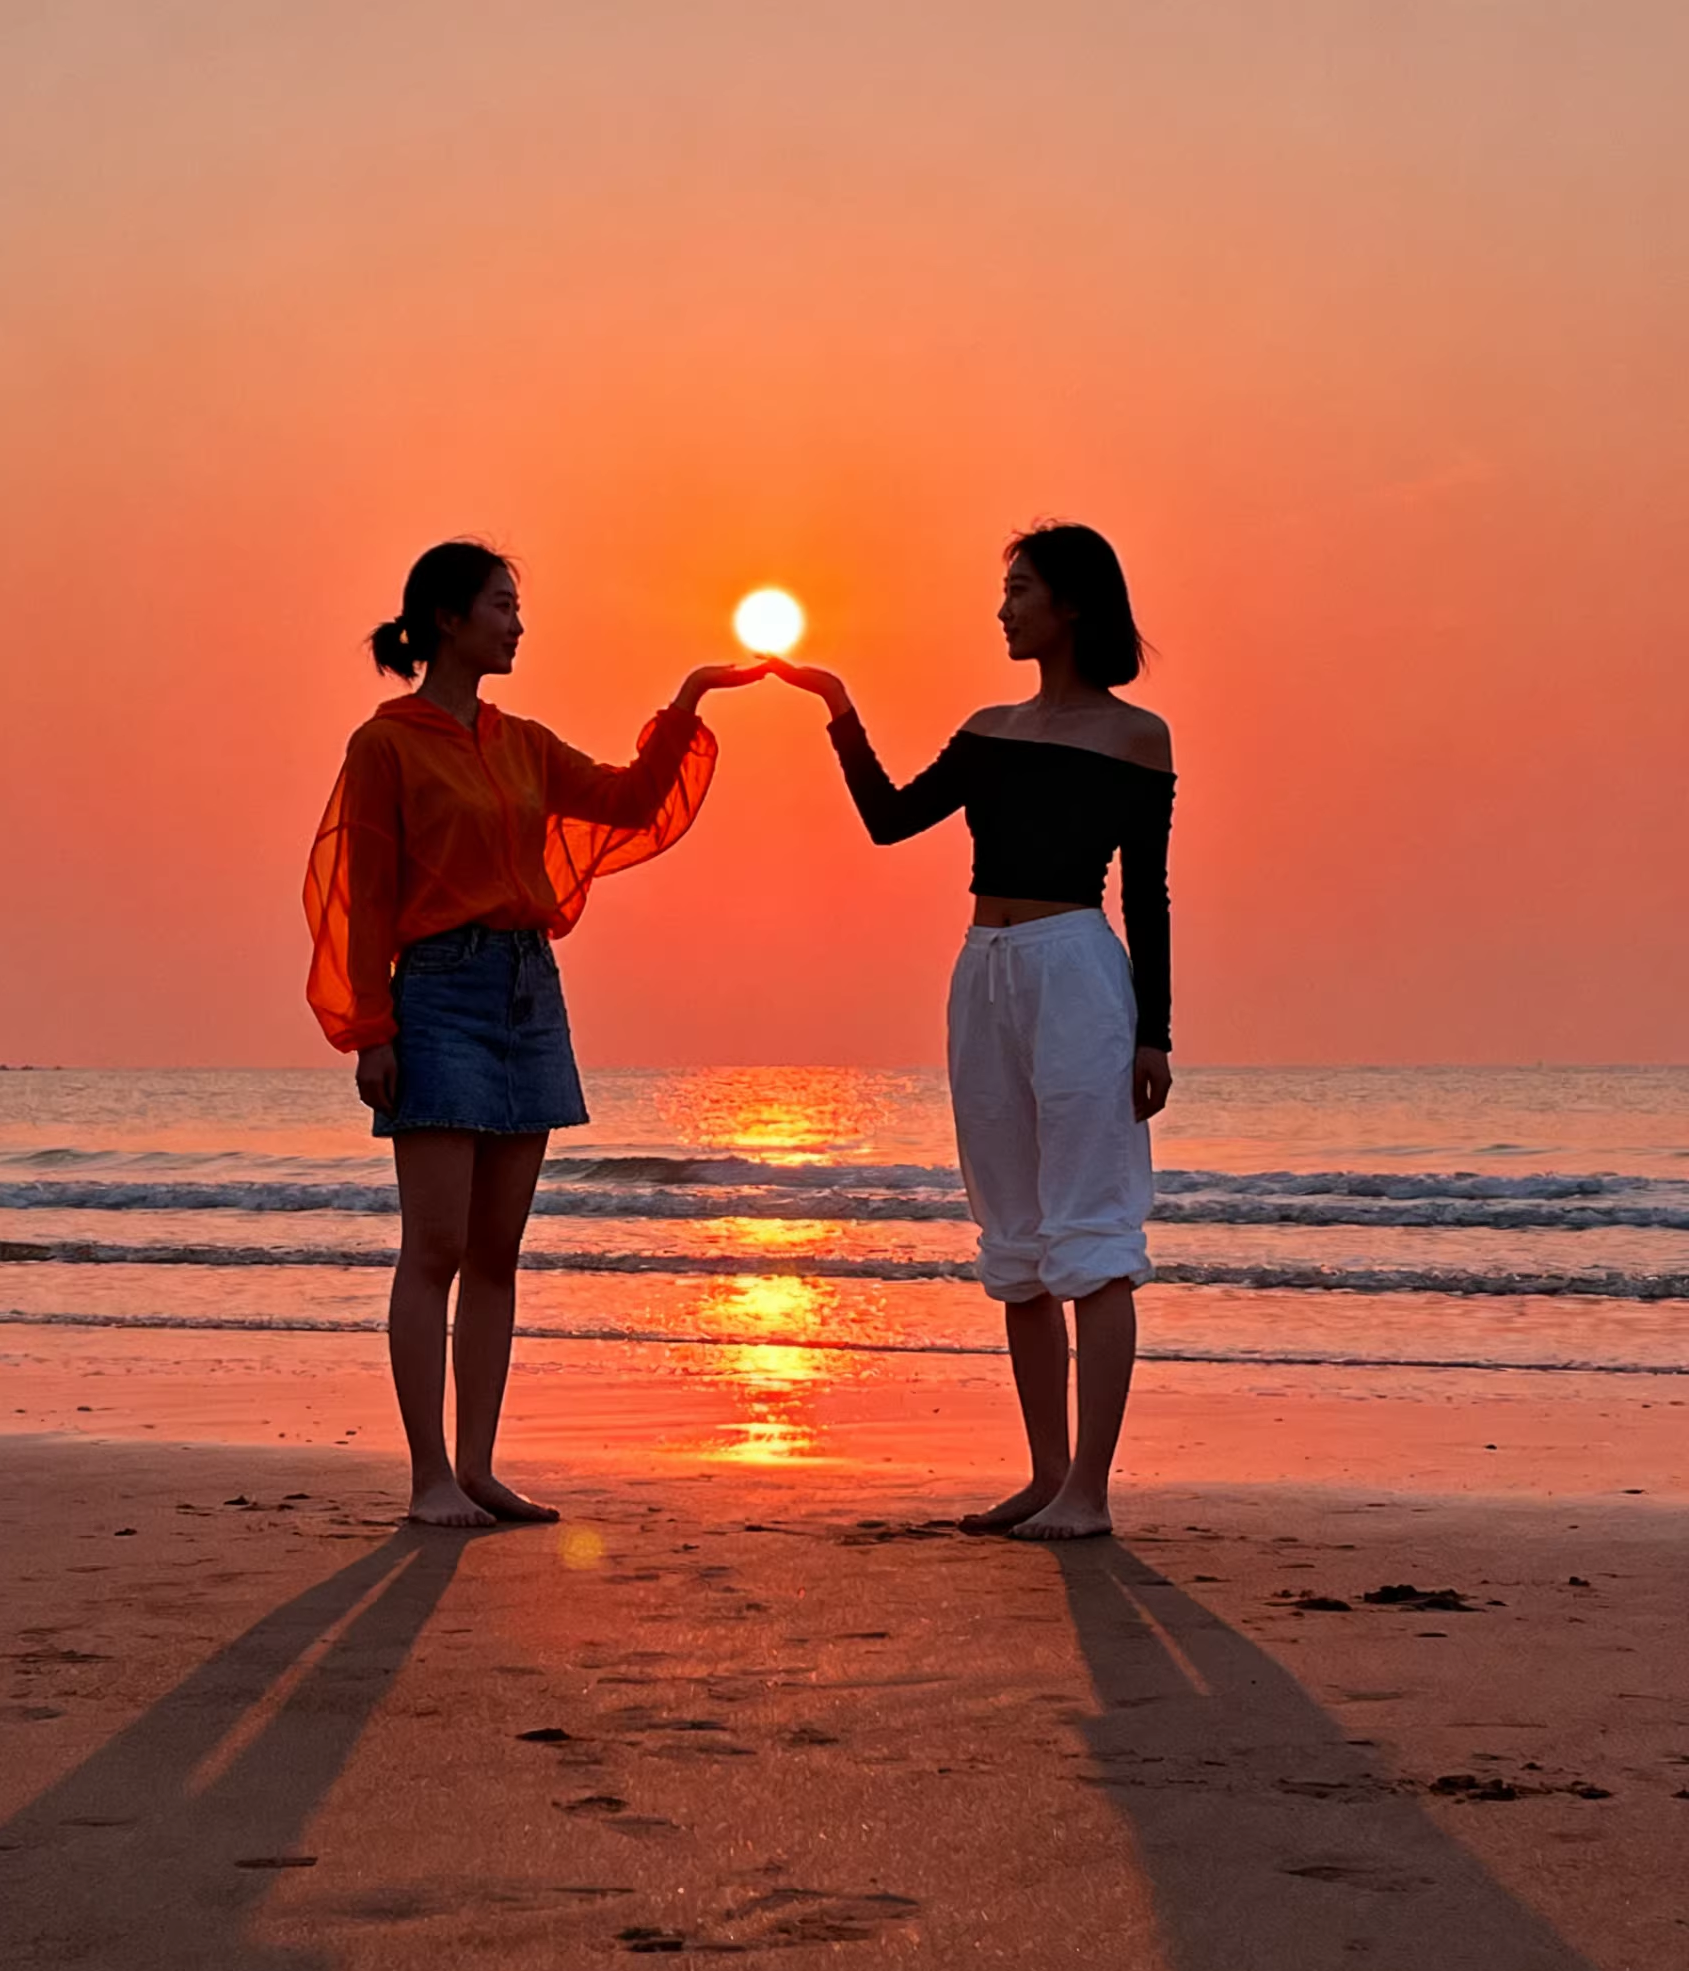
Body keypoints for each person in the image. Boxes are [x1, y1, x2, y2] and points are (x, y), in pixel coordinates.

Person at [305, 539, 764, 1528]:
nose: (517, 623)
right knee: (431, 1247)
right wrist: (369, 1031)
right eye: (502, 605)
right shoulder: (383, 744)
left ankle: (476, 1468)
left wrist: (688, 697)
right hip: (435, 995)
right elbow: (362, 899)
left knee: (497, 1255)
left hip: (526, 993)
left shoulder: (522, 743)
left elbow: (631, 801)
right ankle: (428, 1476)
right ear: (444, 620)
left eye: (517, 606)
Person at [772, 523, 1174, 1539]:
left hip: (1078, 969)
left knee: (1091, 1229)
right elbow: (888, 818)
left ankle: (1089, 1489)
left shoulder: (1136, 736)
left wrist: (1152, 1034)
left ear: (1071, 604)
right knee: (1014, 1232)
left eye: (1019, 589)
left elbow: (1148, 894)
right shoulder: (988, 727)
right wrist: (837, 710)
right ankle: (1044, 1478)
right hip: (982, 971)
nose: (1002, 607)